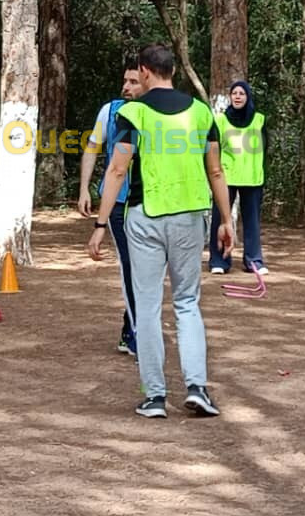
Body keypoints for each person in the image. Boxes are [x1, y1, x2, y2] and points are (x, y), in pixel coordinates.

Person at [87, 44, 234, 419]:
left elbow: (117, 171)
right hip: (190, 217)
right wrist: (226, 220)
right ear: (172, 71)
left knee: (149, 307)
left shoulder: (133, 114)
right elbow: (216, 171)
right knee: (187, 303)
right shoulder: (202, 113)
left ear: (146, 72)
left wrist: (101, 224)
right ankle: (197, 387)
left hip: (144, 218)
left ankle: (154, 397)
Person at [78, 59, 144, 356]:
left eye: (133, 82)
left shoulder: (161, 113)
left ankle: (134, 327)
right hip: (117, 202)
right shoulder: (111, 110)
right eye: (125, 81)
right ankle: (133, 332)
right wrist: (84, 189)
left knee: (147, 270)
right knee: (132, 266)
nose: (126, 87)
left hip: (150, 203)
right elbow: (92, 148)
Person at [208, 81, 268, 275]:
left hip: (252, 178)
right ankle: (219, 260)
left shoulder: (259, 119)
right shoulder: (220, 121)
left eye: (242, 93)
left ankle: (254, 261)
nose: (238, 96)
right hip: (226, 177)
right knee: (220, 219)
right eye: (234, 93)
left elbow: (266, 147)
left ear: (248, 96)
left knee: (252, 221)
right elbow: (214, 148)